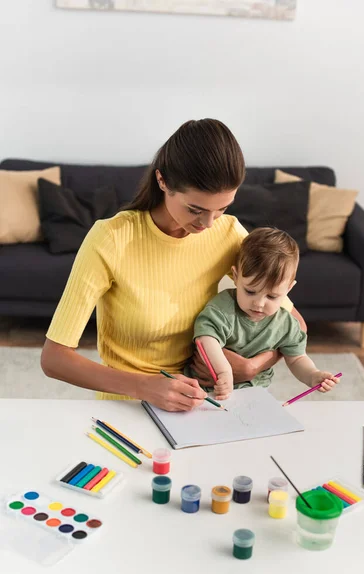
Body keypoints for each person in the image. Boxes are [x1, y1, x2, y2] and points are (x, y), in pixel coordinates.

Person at [41, 119, 306, 412]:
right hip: (129, 405)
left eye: (222, 209)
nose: (208, 224)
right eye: (196, 209)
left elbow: (294, 322)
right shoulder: (111, 239)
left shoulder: (228, 233)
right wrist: (145, 386)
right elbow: (54, 359)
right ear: (163, 181)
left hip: (202, 404)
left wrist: (254, 366)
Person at [188, 227, 340, 400]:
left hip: (256, 392)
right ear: (236, 277)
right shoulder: (223, 307)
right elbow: (205, 339)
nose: (259, 304)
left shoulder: (286, 324)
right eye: (250, 292)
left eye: (272, 296)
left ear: (288, 289)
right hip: (208, 388)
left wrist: (313, 375)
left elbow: (297, 359)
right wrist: (224, 371)